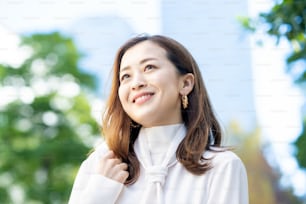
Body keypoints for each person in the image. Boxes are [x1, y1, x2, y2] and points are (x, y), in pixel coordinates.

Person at [68, 35, 249, 204]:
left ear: (185, 84)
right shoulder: (101, 164)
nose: (136, 83)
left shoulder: (222, 167)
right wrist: (98, 195)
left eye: (149, 67)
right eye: (126, 76)